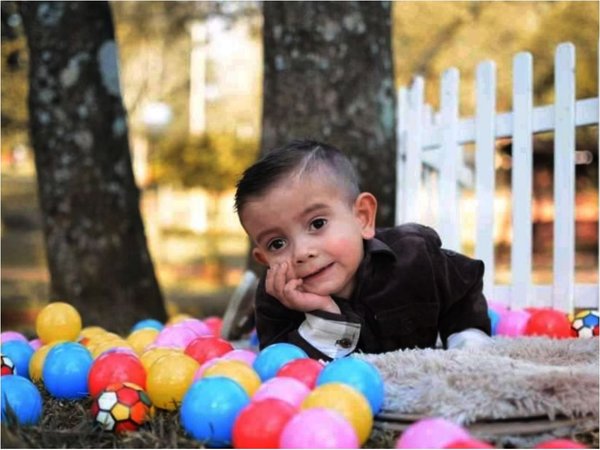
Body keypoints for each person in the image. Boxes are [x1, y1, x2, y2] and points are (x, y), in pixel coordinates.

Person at [234, 139, 492, 361]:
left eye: (317, 224)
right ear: (264, 260)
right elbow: (286, 370)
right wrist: (323, 315)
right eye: (277, 244)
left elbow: (465, 280)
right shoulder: (275, 301)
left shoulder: (414, 255)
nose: (301, 252)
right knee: (252, 333)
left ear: (363, 218)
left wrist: (465, 335)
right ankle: (245, 321)